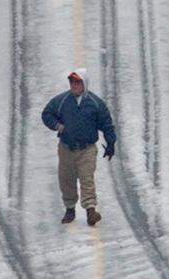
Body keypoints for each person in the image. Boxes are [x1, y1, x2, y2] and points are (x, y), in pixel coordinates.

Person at [41, 68, 116, 226]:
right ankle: (70, 209)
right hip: (66, 148)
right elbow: (47, 113)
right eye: (72, 82)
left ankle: (90, 211)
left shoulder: (96, 104)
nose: (74, 85)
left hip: (87, 149)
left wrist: (111, 143)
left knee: (86, 178)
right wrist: (56, 125)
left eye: (77, 82)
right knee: (66, 179)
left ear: (84, 84)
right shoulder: (61, 101)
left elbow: (107, 124)